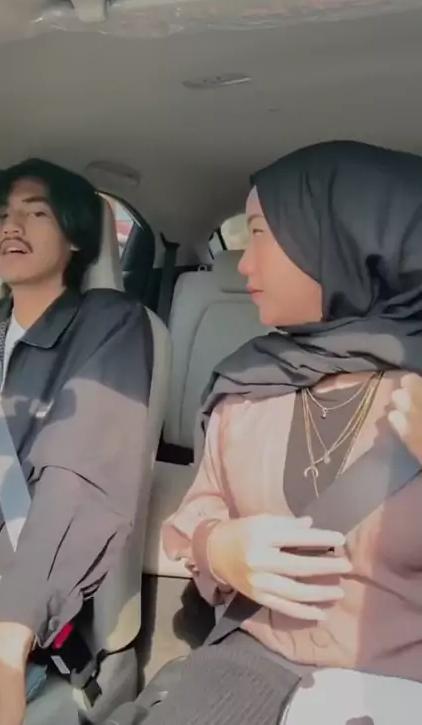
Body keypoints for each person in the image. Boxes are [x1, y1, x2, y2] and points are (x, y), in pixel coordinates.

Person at [141, 141, 422, 725]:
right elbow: (198, 513)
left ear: (338, 239)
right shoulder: (247, 381)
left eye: (259, 234)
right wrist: (218, 549)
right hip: (245, 669)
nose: (242, 262)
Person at [0, 159, 153, 725]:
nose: (10, 226)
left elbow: (77, 482)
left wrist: (5, 641)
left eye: (35, 213)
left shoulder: (111, 327)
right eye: (0, 215)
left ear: (76, 237)